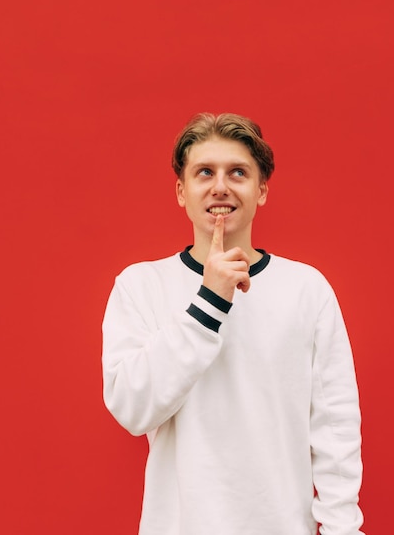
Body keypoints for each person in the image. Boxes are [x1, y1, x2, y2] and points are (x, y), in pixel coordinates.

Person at [102, 112, 365, 535]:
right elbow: (132, 409)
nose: (220, 186)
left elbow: (336, 429)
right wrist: (209, 300)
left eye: (237, 172)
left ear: (261, 191)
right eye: (204, 172)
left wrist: (342, 529)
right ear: (181, 191)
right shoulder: (140, 286)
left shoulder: (306, 289)